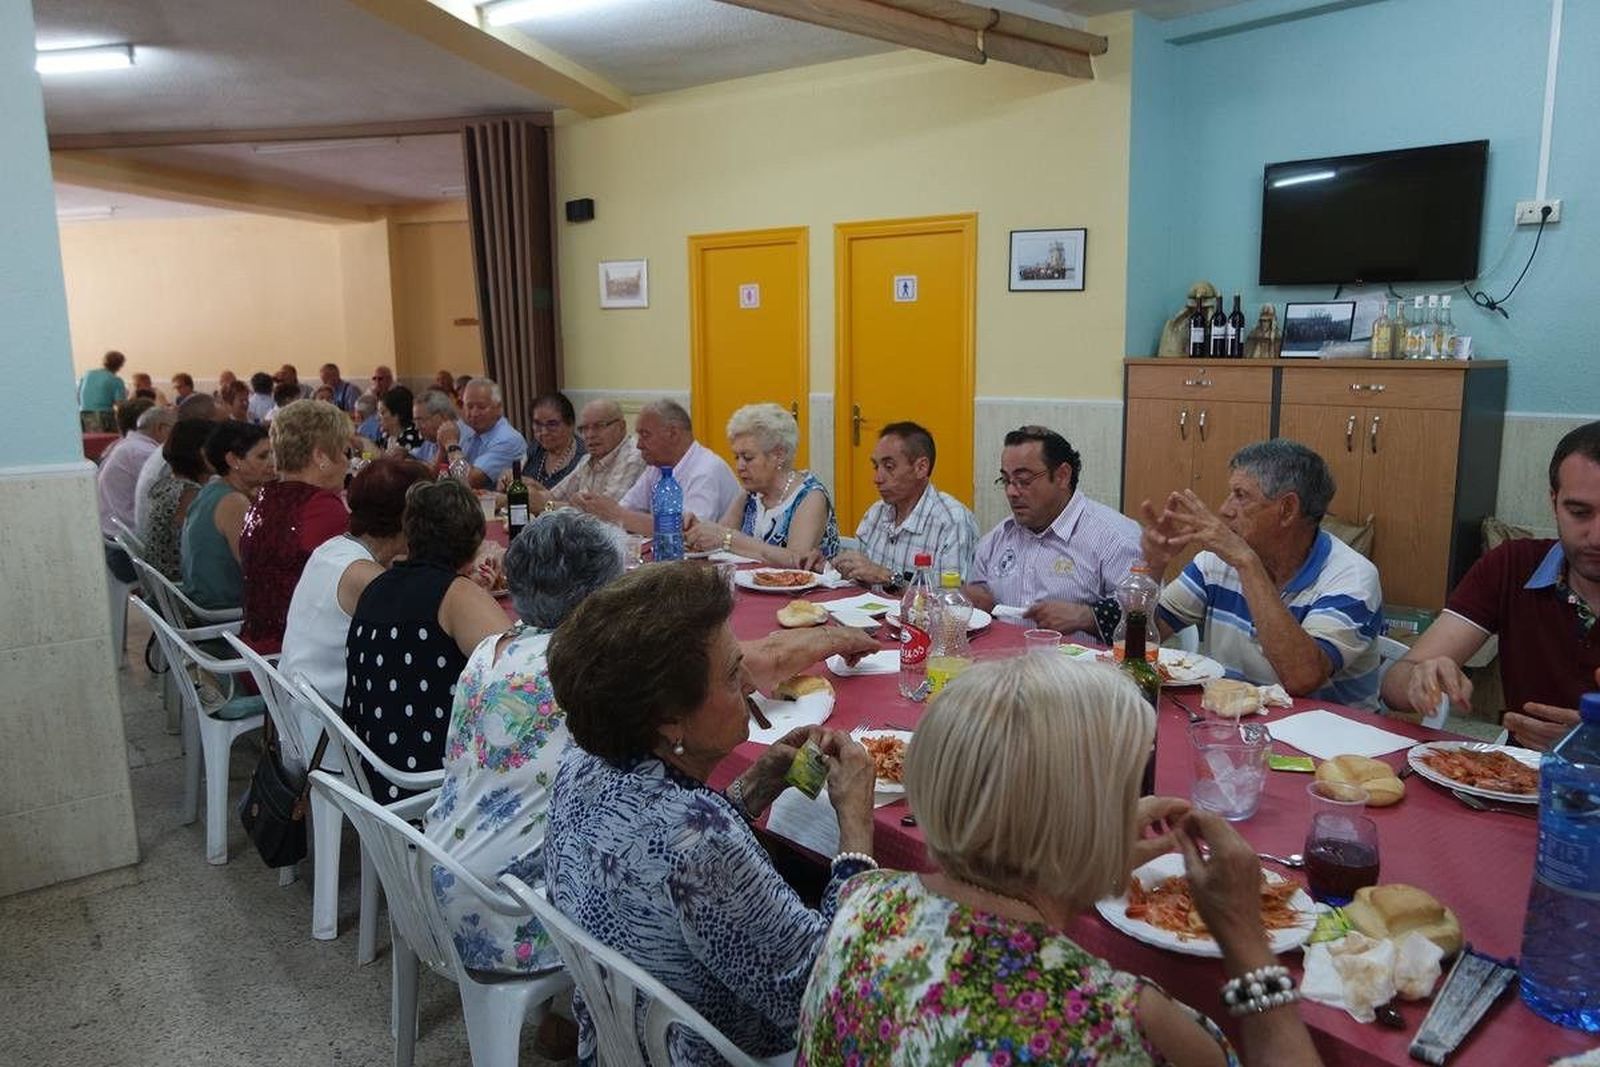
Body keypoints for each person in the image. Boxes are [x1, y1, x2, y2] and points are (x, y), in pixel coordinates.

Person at [796, 654, 1322, 1067]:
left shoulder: (862, 900)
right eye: (1124, 791)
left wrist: (1089, 860)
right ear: (1081, 824)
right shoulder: (1118, 1022)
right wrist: (1246, 941)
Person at [544, 564, 880, 1065]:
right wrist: (855, 829)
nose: (749, 682)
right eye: (729, 674)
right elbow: (826, 997)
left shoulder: (581, 764)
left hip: (620, 1037)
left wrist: (754, 787)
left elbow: (662, 848)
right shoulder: (700, 842)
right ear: (670, 718)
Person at [424, 509, 626, 978]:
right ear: (596, 596)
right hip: (506, 913)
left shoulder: (492, 648)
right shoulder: (586, 671)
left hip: (438, 878)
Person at [1381, 422, 1600, 748]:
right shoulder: (1514, 566)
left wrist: (1588, 745)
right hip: (1517, 783)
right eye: (1579, 513)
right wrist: (1419, 678)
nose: (1596, 537)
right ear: (1553, 502)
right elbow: (1395, 683)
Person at [1144, 438, 1383, 709]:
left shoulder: (1352, 577)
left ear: (1287, 509)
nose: (1225, 509)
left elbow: (1301, 678)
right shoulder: (1215, 562)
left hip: (1332, 741)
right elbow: (1139, 640)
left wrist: (1248, 564)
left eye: (1241, 495)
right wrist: (1153, 566)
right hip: (1233, 724)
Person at [344, 478, 508, 799]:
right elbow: (523, 673)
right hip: (429, 784)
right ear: (476, 541)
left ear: (408, 533)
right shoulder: (456, 596)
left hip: (373, 773)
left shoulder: (378, 585)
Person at [281, 458, 430, 746]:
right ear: (409, 518)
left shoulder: (334, 549)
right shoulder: (367, 579)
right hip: (339, 740)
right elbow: (426, 642)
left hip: (304, 719)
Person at [966, 426, 1142, 644]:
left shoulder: (1114, 538)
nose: (1011, 492)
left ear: (1062, 475)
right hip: (1002, 667)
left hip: (1081, 674)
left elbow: (1145, 619)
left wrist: (1087, 618)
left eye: (1024, 480)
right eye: (1006, 481)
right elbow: (979, 600)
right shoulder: (998, 538)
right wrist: (975, 598)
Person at [238, 400, 351, 653]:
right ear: (321, 456)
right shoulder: (320, 508)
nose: (347, 463)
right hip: (292, 665)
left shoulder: (264, 498)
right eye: (345, 452)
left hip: (254, 653)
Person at [684, 402, 839, 567]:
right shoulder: (751, 492)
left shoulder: (810, 496)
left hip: (807, 592)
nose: (740, 466)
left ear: (778, 455)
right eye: (737, 457)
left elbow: (797, 560)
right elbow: (719, 535)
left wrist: (728, 538)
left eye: (748, 457)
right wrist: (697, 531)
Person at [826, 421, 978, 587]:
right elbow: (857, 581)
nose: (877, 479)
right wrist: (827, 566)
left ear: (921, 467)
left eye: (889, 467)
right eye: (876, 467)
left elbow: (950, 602)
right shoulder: (875, 514)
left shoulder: (951, 521)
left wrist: (887, 577)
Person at [576, 399, 740, 537]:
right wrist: (599, 508)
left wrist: (618, 515)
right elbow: (625, 508)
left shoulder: (706, 470)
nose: (639, 445)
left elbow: (688, 532)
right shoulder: (657, 467)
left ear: (673, 434)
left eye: (645, 435)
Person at [181, 421, 273, 611]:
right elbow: (259, 571)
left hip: (202, 600)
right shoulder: (234, 502)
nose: (273, 463)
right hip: (224, 610)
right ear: (233, 460)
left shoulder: (212, 489)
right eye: (263, 456)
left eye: (273, 454)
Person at [517, 398, 645, 511]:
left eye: (598, 426)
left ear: (621, 427)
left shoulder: (632, 457)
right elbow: (554, 495)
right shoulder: (587, 459)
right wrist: (529, 493)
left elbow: (606, 513)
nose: (590, 435)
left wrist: (547, 506)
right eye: (584, 428)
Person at [133, 394, 221, 534]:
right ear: (205, 425)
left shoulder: (172, 449)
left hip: (151, 541)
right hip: (170, 550)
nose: (225, 432)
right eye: (221, 425)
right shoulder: (178, 464)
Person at [140, 420, 212, 582]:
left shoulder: (167, 483)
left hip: (162, 586)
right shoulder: (189, 495)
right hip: (180, 589)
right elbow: (205, 548)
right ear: (200, 452)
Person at [434, 377, 526, 489]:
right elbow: (434, 477)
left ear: (498, 408)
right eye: (469, 406)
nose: (474, 413)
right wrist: (442, 450)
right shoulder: (464, 428)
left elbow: (468, 481)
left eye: (481, 407)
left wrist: (451, 444)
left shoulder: (508, 439)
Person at [523, 391, 586, 489]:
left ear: (570, 425)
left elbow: (578, 503)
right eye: (538, 424)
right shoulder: (536, 448)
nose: (544, 432)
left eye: (552, 424)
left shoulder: (584, 458)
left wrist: (541, 495)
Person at [78, 350, 128, 432]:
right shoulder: (116, 380)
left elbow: (78, 396)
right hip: (102, 417)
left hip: (83, 415)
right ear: (120, 365)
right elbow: (120, 405)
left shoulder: (88, 374)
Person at [376, 385, 423, 455]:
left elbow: (390, 462)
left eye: (382, 413)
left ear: (396, 416)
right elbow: (371, 454)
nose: (377, 418)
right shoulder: (386, 436)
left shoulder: (410, 438)